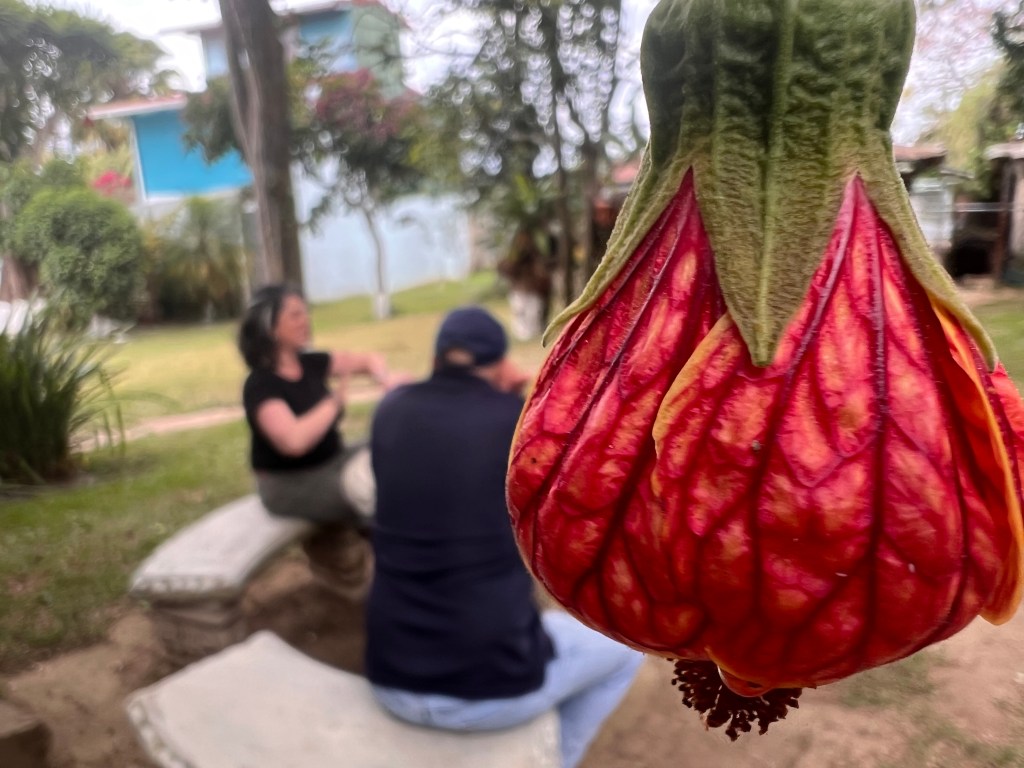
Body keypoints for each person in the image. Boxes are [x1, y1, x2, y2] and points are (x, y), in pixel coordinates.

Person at [366, 306, 643, 768]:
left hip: (390, 676)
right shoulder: (514, 426)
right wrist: (519, 402)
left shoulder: (390, 411)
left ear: (436, 359)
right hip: (493, 687)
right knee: (623, 654)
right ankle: (558, 759)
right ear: (499, 365)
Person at [238, 284, 391, 526]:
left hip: (333, 462)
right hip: (290, 486)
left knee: (395, 445)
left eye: (305, 313)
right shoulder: (260, 384)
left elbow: (367, 360)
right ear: (269, 326)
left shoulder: (311, 363)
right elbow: (294, 441)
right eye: (295, 315)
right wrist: (334, 403)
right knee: (377, 483)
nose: (305, 320)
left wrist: (384, 379)